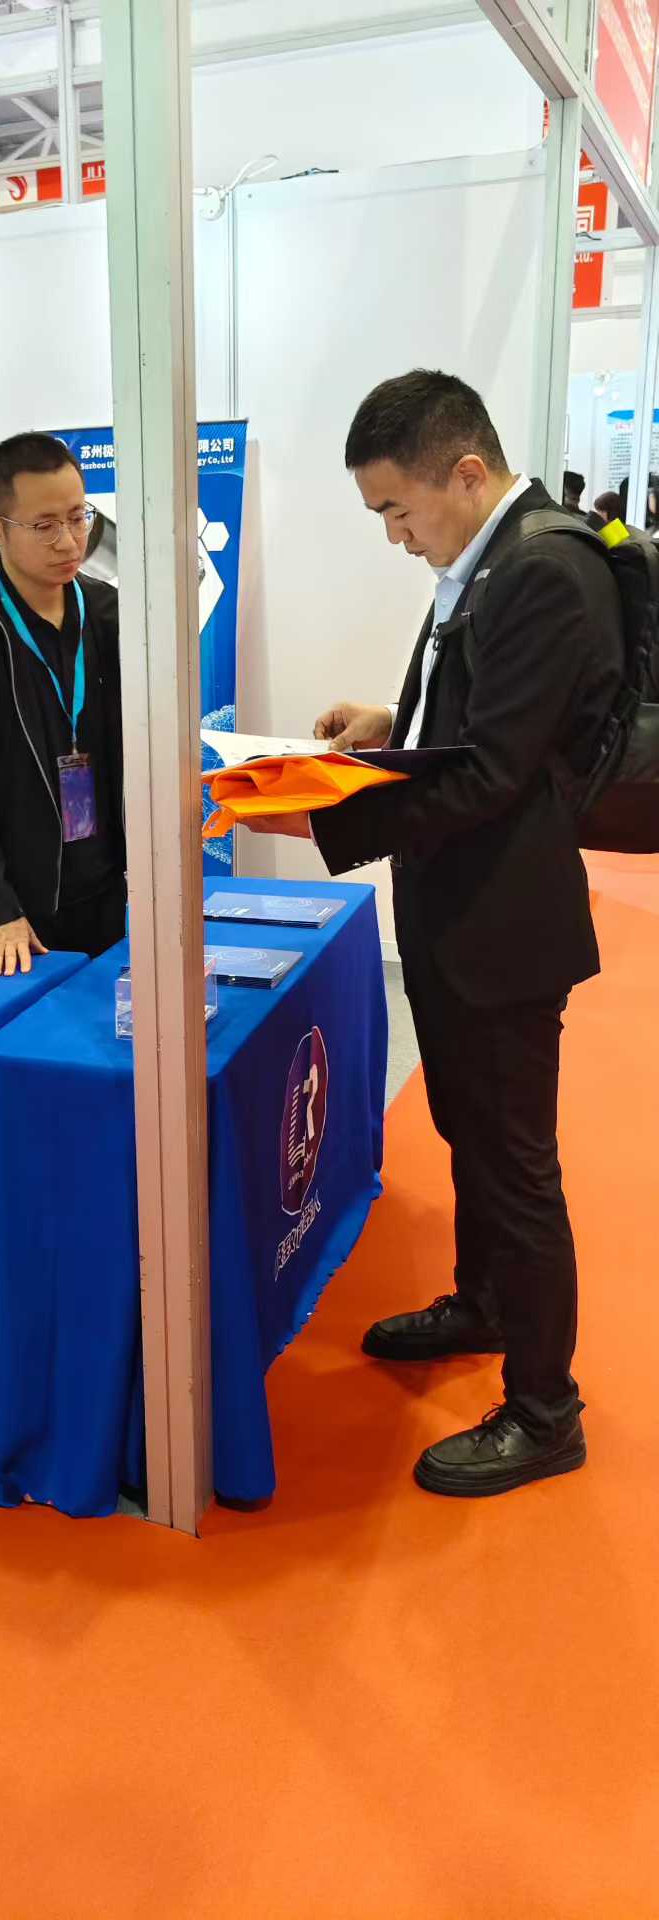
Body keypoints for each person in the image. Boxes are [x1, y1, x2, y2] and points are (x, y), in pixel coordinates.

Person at [248, 369, 623, 1498]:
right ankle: (485, 1302)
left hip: (504, 925)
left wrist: (322, 815)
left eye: (397, 510)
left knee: (515, 1165)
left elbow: (495, 774)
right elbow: (477, 723)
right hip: (462, 912)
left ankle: (546, 1410)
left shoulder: (543, 569)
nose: (395, 537)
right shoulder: (490, 561)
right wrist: (390, 721)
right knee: (467, 1130)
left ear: (465, 472)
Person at [0, 433, 126, 975]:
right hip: (21, 915)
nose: (68, 542)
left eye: (78, 517)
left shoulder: (109, 612)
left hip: (113, 888)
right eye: (44, 526)